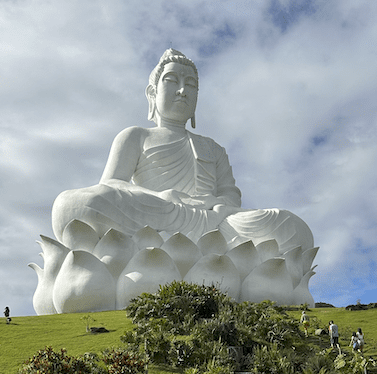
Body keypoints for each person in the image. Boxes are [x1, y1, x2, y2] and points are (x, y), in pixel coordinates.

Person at [51, 48, 314, 255]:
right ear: (152, 93)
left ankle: (197, 248)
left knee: (289, 225)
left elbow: (230, 194)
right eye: (172, 81)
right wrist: (162, 197)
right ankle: (202, 253)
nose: (182, 90)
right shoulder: (136, 136)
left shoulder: (213, 148)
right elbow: (112, 183)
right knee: (72, 205)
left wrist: (220, 207)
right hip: (160, 212)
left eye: (191, 84)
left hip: (216, 222)